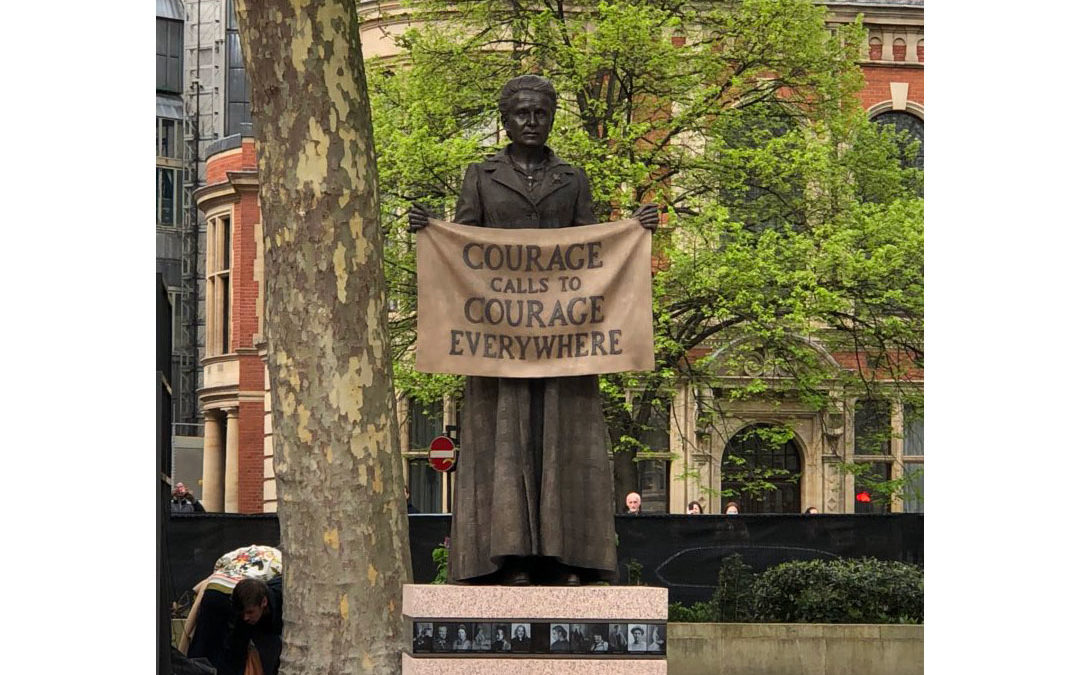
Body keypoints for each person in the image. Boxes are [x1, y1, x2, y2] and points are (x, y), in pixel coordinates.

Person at [409, 74, 658, 587]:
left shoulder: (573, 178)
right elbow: (463, 245)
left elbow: (595, 250)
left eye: (540, 113)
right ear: (505, 120)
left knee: (566, 440)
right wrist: (431, 230)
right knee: (504, 441)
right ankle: (506, 558)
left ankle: (567, 558)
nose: (531, 121)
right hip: (498, 341)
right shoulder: (480, 176)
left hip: (566, 341)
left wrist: (634, 230)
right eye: (521, 113)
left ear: (551, 118)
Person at [188, 577, 283, 675]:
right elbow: (235, 651)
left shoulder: (283, 597)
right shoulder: (243, 619)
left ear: (264, 602)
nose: (246, 618)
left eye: (250, 612)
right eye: (243, 613)